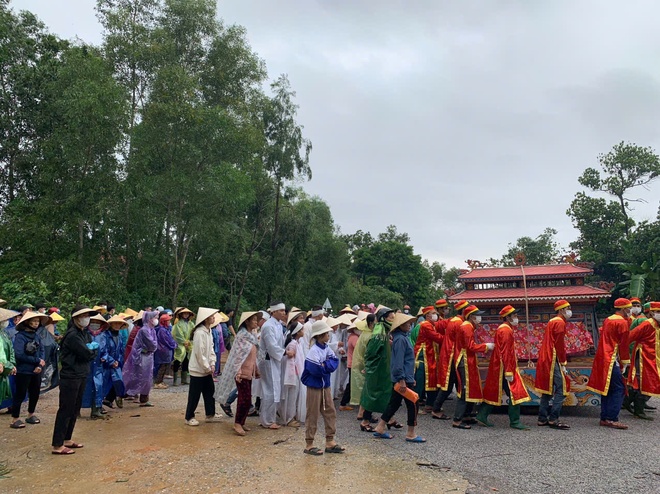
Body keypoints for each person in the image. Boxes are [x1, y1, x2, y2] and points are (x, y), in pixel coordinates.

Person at [51, 305, 98, 455]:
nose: (86, 319)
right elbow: (87, 353)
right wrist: (91, 350)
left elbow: (92, 351)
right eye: (83, 316)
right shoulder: (72, 335)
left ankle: (67, 438)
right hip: (70, 376)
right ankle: (57, 444)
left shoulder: (84, 333)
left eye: (87, 315)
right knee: (66, 409)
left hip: (81, 374)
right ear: (76, 318)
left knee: (74, 409)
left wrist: (91, 350)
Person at [372, 313, 425, 442]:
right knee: (413, 403)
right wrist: (403, 379)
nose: (410, 325)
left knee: (394, 403)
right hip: (403, 379)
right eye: (407, 323)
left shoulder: (400, 338)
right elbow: (398, 362)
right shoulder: (401, 339)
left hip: (404, 377)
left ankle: (380, 427)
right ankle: (410, 433)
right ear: (401, 325)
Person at [477, 305, 531, 429]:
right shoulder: (506, 330)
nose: (517, 318)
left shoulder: (505, 329)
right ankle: (515, 421)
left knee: (494, 391)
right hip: (504, 367)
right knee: (514, 393)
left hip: (501, 366)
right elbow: (506, 352)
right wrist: (508, 372)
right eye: (515, 316)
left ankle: (482, 415)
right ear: (507, 317)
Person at [586, 298, 632, 429]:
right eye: (629, 307)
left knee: (607, 388)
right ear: (624, 309)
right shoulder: (622, 322)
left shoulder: (608, 319)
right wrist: (625, 362)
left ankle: (605, 416)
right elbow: (623, 345)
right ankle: (611, 418)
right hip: (612, 358)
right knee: (619, 388)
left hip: (603, 356)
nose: (630, 310)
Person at [215, 311, 262, 435]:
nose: (256, 322)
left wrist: (256, 370)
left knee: (247, 399)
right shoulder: (242, 336)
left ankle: (242, 422)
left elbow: (252, 355)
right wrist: (238, 372)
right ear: (247, 321)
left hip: (249, 371)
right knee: (244, 399)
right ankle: (237, 423)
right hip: (241, 373)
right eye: (254, 320)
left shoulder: (251, 336)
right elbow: (237, 356)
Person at [301, 320, 343, 456]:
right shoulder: (314, 351)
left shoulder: (326, 348)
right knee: (312, 413)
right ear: (320, 335)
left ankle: (330, 440)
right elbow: (315, 369)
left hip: (325, 385)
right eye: (326, 334)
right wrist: (325, 366)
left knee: (330, 411)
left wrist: (325, 366)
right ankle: (309, 443)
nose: (328, 336)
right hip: (315, 385)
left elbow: (334, 362)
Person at [452, 305, 494, 429]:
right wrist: (486, 346)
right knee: (465, 389)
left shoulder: (469, 326)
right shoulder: (466, 327)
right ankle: (457, 419)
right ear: (471, 317)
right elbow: (471, 346)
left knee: (471, 387)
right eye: (477, 315)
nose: (479, 318)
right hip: (464, 360)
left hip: (468, 360)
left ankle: (466, 415)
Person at [362, 307, 402, 431]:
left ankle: (389, 419)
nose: (393, 319)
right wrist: (370, 368)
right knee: (373, 394)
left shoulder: (386, 330)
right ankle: (365, 421)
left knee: (387, 393)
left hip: (385, 368)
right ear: (383, 318)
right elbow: (371, 352)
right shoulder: (379, 332)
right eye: (391, 317)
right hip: (377, 369)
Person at [534, 299, 572, 430]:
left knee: (548, 389)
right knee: (562, 388)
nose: (569, 311)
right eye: (568, 308)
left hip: (546, 356)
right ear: (561, 310)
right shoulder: (559, 322)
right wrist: (563, 363)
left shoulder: (552, 321)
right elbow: (559, 345)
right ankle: (553, 418)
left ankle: (542, 418)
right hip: (553, 358)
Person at [184, 308, 221, 426]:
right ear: (205, 319)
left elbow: (210, 349)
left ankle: (210, 414)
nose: (214, 318)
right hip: (198, 370)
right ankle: (189, 416)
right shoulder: (200, 333)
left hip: (205, 369)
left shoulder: (208, 331)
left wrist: (213, 363)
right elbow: (199, 353)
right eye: (212, 316)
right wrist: (207, 367)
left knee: (210, 392)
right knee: (194, 395)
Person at [432, 300, 468, 420]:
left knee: (452, 383)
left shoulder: (454, 320)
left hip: (449, 354)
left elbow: (438, 325)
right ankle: (436, 409)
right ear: (464, 311)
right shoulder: (459, 323)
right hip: (453, 355)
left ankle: (465, 411)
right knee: (452, 384)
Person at [10, 311, 48, 428]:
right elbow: (19, 354)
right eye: (33, 321)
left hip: (36, 371)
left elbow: (42, 351)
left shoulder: (37, 336)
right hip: (23, 370)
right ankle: (14, 418)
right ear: (27, 322)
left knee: (35, 393)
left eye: (37, 321)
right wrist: (36, 361)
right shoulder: (20, 336)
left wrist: (40, 365)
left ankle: (30, 414)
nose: (36, 323)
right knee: (20, 394)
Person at [627, 301, 660, 420]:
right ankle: (638, 410)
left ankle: (628, 402)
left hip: (655, 358)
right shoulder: (647, 324)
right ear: (651, 313)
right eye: (658, 312)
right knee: (643, 381)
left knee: (651, 381)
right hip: (643, 358)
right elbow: (630, 336)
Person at [258, 301, 287, 429]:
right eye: (281, 310)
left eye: (284, 310)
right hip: (269, 360)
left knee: (274, 388)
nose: (283, 313)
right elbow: (272, 346)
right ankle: (267, 420)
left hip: (275, 360)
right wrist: (285, 352)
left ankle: (269, 418)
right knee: (270, 390)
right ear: (273, 311)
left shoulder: (279, 325)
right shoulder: (268, 326)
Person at [123, 310, 159, 407]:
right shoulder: (144, 330)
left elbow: (154, 344)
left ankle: (144, 398)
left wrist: (153, 347)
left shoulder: (152, 330)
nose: (156, 320)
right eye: (155, 318)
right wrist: (152, 347)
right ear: (149, 319)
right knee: (141, 377)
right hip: (142, 357)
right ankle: (124, 393)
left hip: (148, 356)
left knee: (147, 377)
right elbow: (152, 344)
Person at [413, 306, 444, 413]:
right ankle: (414, 407)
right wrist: (450, 339)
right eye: (434, 313)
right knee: (420, 382)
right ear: (427, 316)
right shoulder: (425, 325)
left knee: (432, 379)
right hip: (424, 356)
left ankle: (429, 405)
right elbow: (437, 337)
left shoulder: (432, 324)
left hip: (430, 356)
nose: (436, 315)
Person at [82, 314, 109, 419]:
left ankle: (96, 410)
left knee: (98, 387)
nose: (95, 325)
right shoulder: (84, 334)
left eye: (97, 323)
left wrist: (105, 357)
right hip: (86, 365)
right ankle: (77, 409)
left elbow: (106, 350)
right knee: (84, 388)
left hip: (98, 366)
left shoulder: (103, 335)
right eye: (93, 322)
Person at [352, 314, 376, 429]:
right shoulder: (370, 336)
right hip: (365, 365)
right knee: (367, 390)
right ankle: (363, 414)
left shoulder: (365, 333)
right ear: (371, 323)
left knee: (365, 390)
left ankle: (362, 413)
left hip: (361, 364)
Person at [279, 322, 305, 427]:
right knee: (291, 397)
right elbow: (289, 362)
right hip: (293, 375)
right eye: (302, 330)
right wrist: (291, 377)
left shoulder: (297, 343)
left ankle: (292, 416)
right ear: (297, 332)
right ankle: (289, 418)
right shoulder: (293, 344)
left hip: (297, 373)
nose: (304, 331)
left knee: (295, 396)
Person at [102, 315, 128, 409]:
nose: (117, 325)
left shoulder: (119, 336)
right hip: (106, 364)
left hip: (117, 363)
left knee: (118, 381)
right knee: (104, 383)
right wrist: (111, 361)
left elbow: (121, 350)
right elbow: (103, 350)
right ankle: (99, 405)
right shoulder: (105, 335)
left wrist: (118, 361)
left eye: (119, 323)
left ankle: (109, 399)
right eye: (115, 323)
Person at [339, 320, 360, 411]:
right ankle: (343, 403)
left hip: (352, 362)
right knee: (351, 384)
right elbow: (359, 348)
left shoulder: (352, 336)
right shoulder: (354, 337)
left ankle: (345, 402)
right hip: (353, 363)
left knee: (351, 383)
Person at [0, 308, 18, 407]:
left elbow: (10, 350)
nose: (6, 321)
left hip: (3, 369)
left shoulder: (3, 333)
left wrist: (11, 364)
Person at [172, 308, 195, 386]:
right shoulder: (178, 324)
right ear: (181, 314)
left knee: (186, 360)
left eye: (187, 313)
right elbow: (177, 334)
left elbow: (193, 332)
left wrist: (189, 342)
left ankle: (184, 379)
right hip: (180, 345)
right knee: (177, 360)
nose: (186, 315)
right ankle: (175, 380)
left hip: (189, 345)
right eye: (184, 313)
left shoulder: (191, 324)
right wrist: (184, 341)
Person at [153, 313, 177, 389]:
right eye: (167, 321)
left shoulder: (164, 329)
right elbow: (166, 340)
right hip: (162, 351)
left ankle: (160, 381)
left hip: (164, 350)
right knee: (162, 367)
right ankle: (157, 382)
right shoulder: (162, 330)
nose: (169, 322)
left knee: (165, 366)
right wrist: (174, 345)